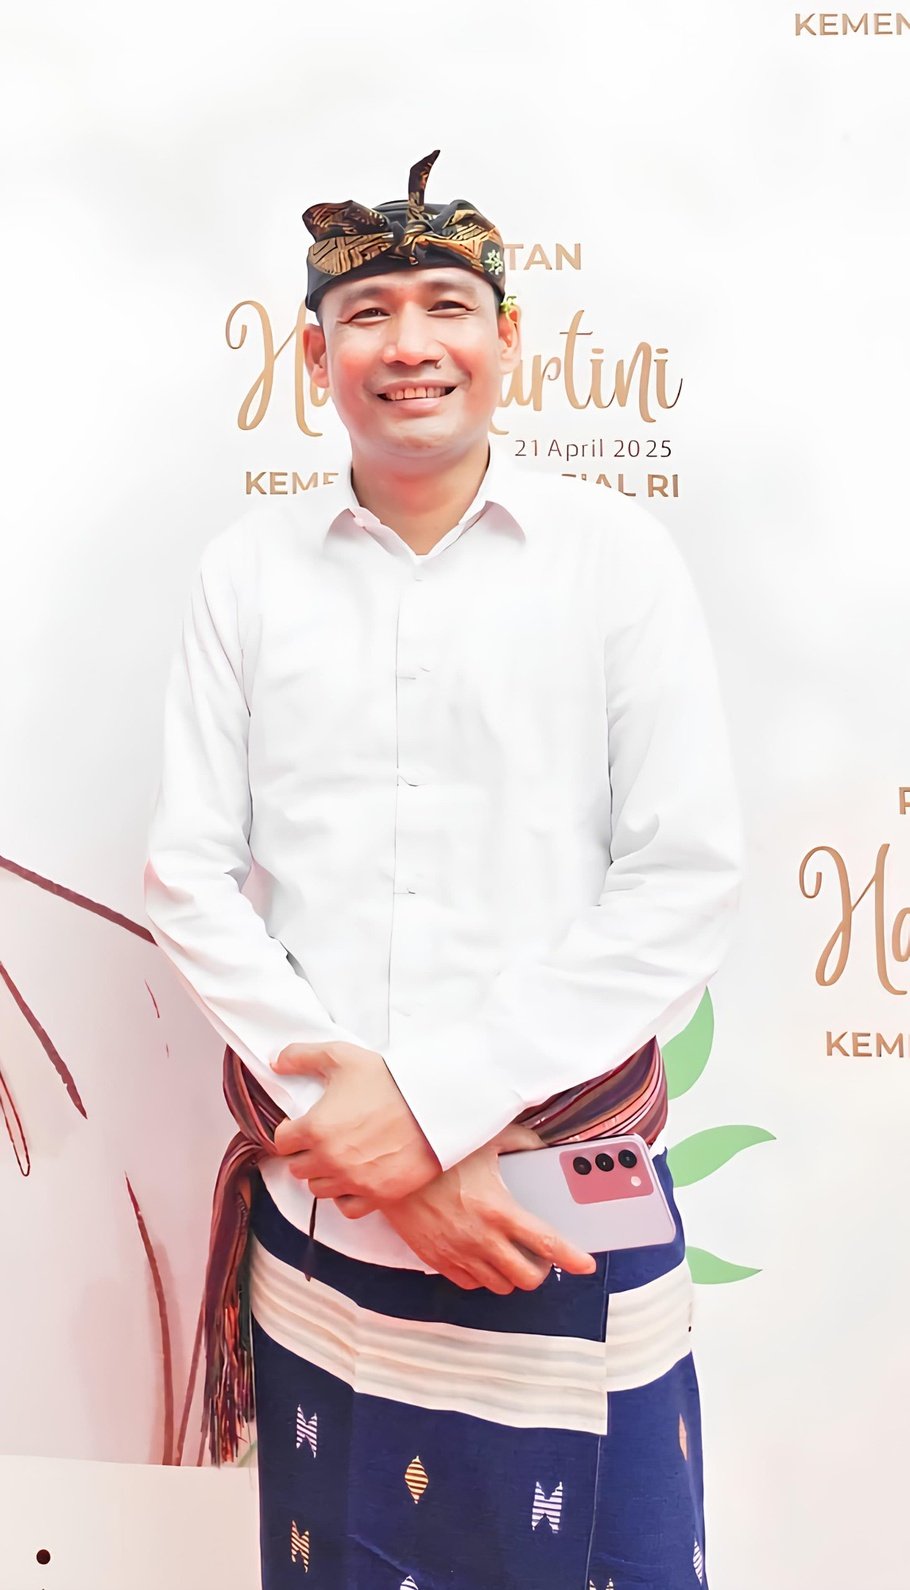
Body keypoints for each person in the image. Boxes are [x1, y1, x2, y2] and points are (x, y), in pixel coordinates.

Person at [143, 148, 744, 1590]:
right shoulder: (246, 572)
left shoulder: (616, 559)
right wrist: (365, 1140)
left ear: (507, 338)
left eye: (446, 306)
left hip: (558, 1191)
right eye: (366, 314)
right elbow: (187, 875)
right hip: (328, 1214)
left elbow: (683, 878)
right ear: (314, 356)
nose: (408, 343)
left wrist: (426, 1111)